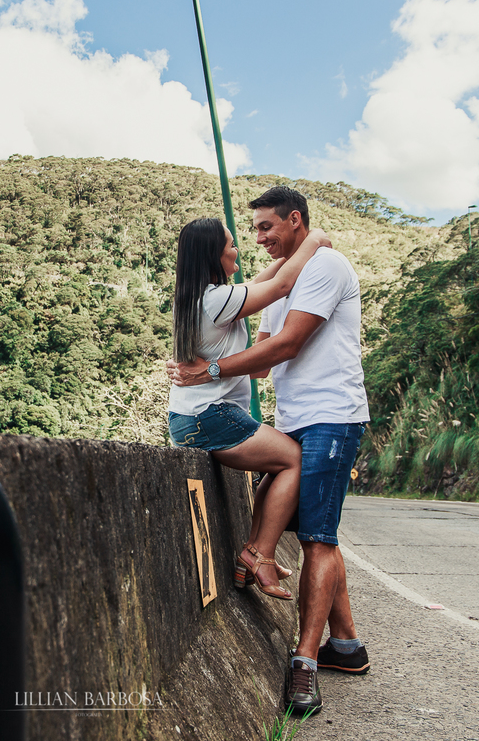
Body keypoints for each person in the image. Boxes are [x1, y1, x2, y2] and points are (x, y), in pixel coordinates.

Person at [168, 187, 370, 716]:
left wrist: (209, 369)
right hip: (295, 417)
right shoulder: (258, 287)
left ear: (296, 221)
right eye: (246, 233)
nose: (256, 240)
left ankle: (307, 660)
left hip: (330, 414)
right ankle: (345, 642)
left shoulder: (322, 268)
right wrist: (228, 360)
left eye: (264, 228)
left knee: (318, 538)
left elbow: (279, 349)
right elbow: (261, 353)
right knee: (316, 529)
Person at [167, 216, 330, 601]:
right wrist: (316, 239)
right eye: (231, 245)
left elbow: (258, 282)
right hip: (211, 416)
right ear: (214, 254)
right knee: (294, 459)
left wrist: (291, 251)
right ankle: (260, 554)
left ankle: (252, 557)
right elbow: (282, 285)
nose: (238, 249)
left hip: (188, 418)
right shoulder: (217, 299)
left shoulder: (196, 298)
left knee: (279, 462)